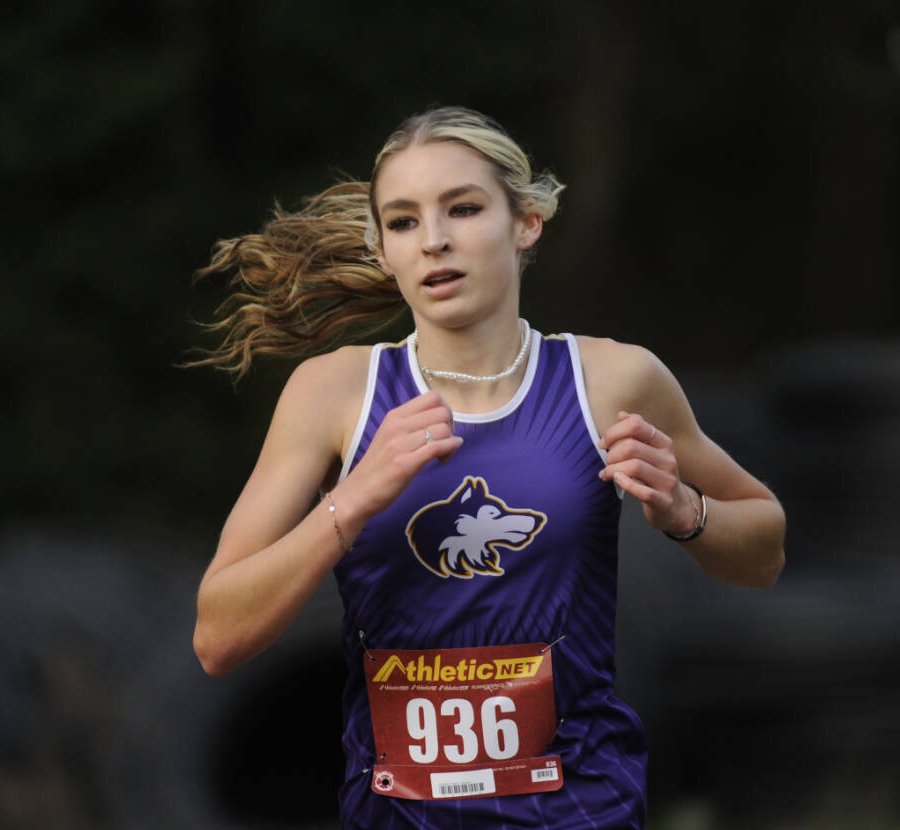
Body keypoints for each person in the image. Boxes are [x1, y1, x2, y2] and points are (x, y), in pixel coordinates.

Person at [190, 106, 786, 829]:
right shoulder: (334, 394)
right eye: (404, 222)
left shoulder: (614, 380)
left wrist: (686, 511)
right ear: (382, 249)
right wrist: (353, 500)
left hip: (579, 810)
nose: (434, 241)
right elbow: (217, 639)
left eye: (463, 209)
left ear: (526, 221)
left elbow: (765, 550)